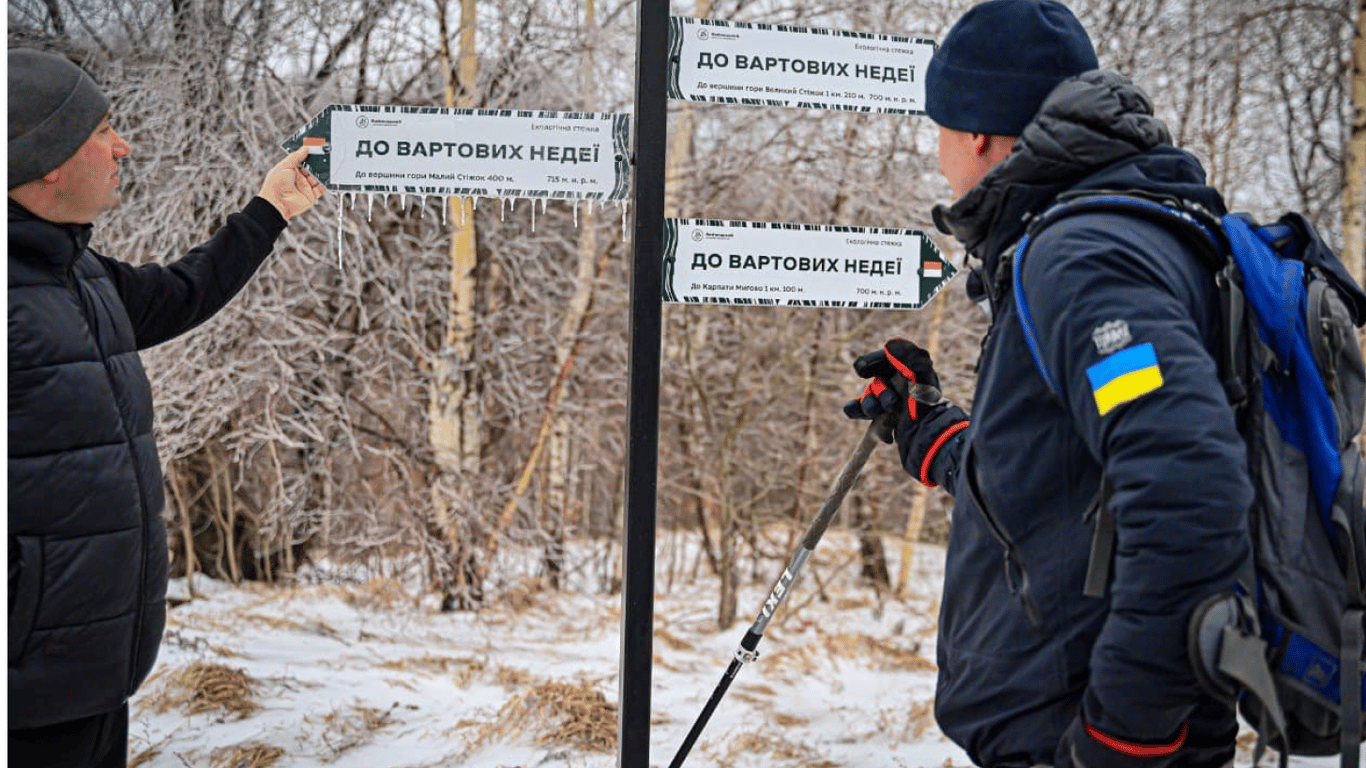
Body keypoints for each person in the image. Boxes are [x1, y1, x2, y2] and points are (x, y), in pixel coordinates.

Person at [844, 2, 1252, 767]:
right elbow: (1068, 480)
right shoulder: (1111, 233)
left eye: (939, 131)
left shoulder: (1081, 256)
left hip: (1085, 737)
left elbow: (1190, 487)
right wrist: (932, 431)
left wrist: (1120, 737)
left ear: (977, 133)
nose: (938, 159)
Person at [8, 47, 324, 768]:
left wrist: (271, 208)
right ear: (48, 159)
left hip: (89, 677)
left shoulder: (75, 273)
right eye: (103, 130)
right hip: (26, 693)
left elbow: (181, 291)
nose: (124, 145)